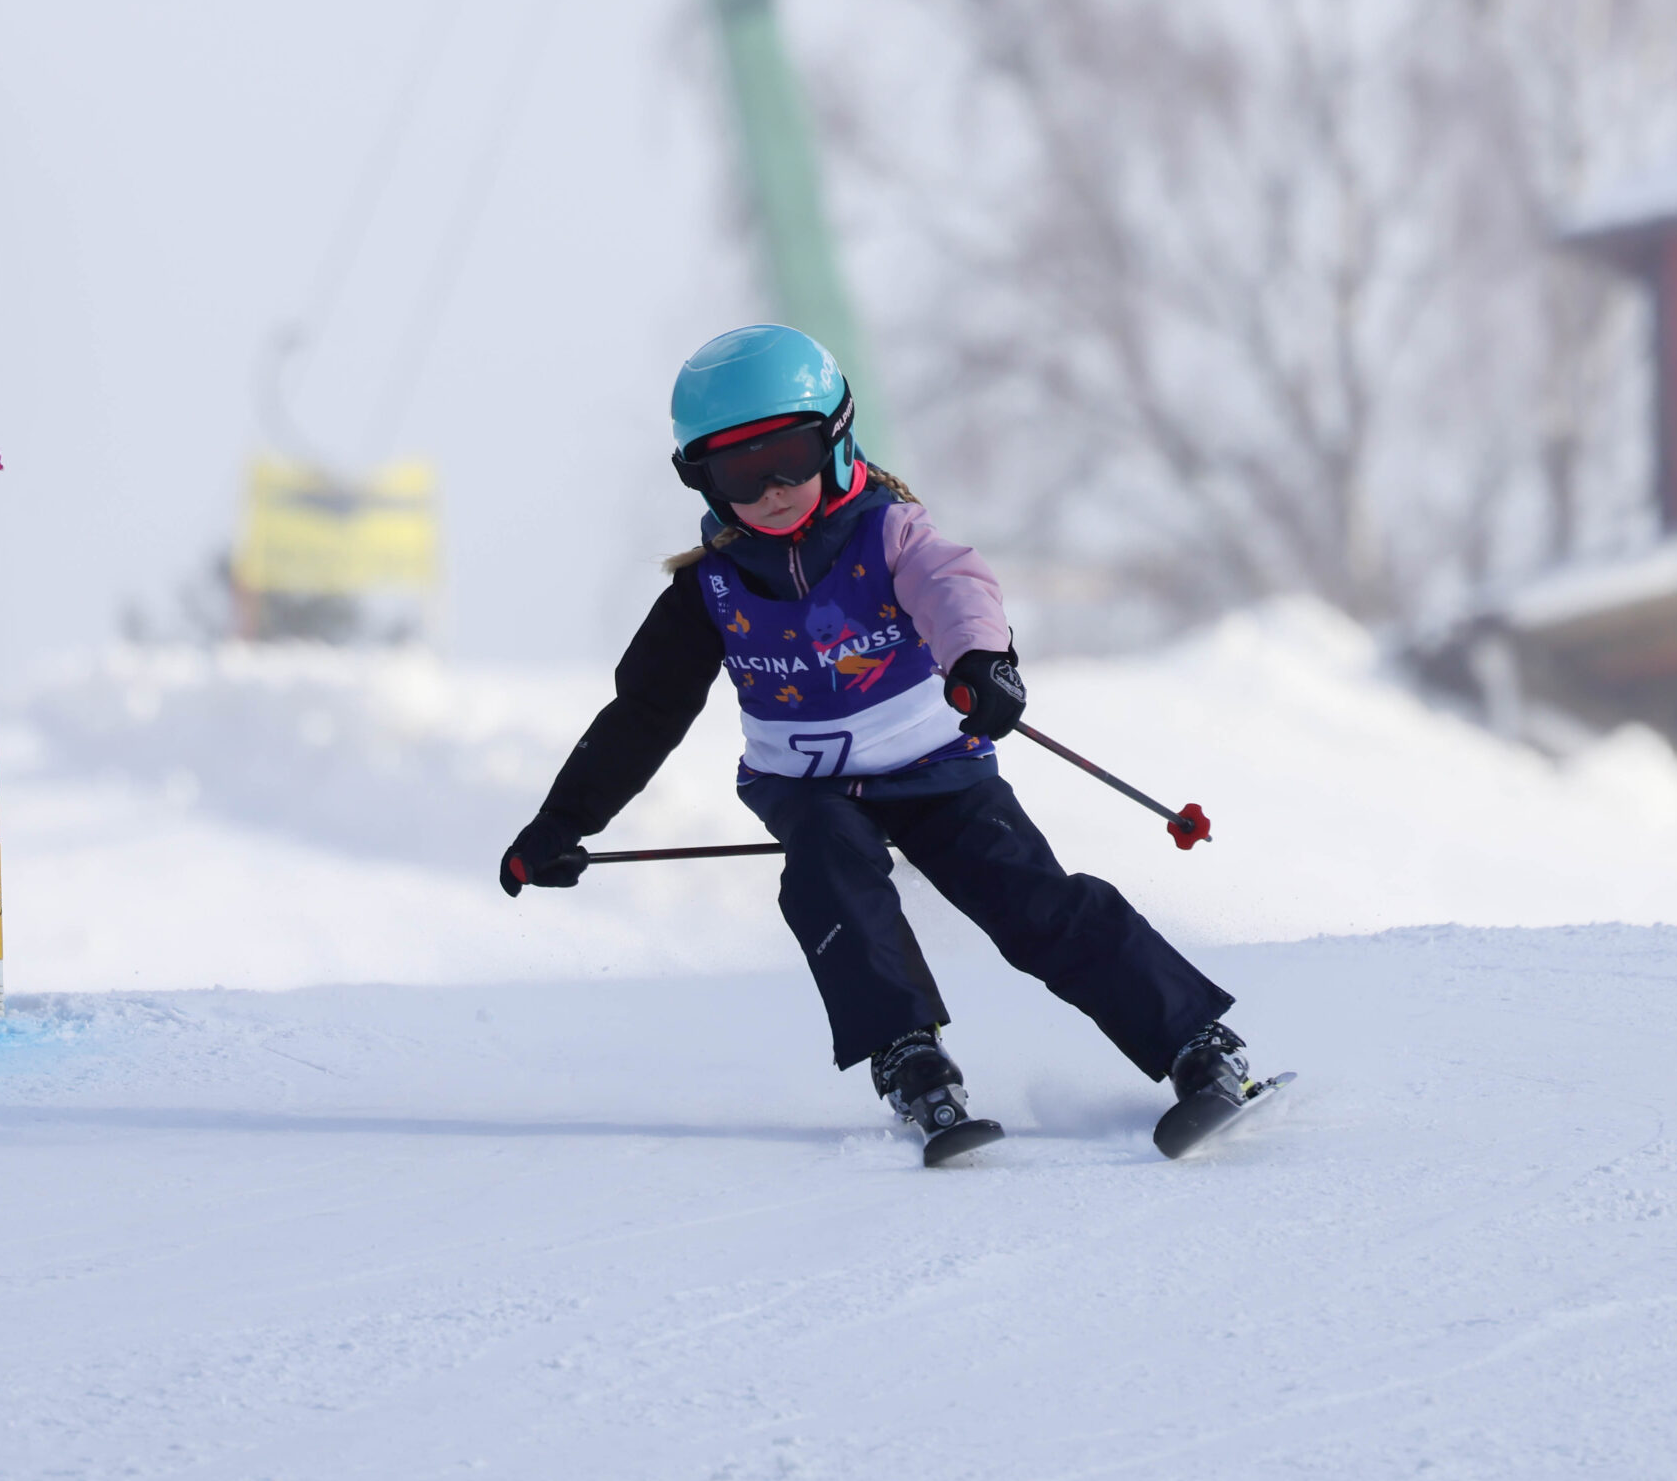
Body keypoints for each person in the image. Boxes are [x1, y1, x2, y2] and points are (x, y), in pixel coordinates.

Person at [497, 325, 1254, 1160]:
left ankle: (1195, 1043)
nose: (773, 489)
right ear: (701, 479)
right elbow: (642, 715)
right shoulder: (708, 591)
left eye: (789, 456)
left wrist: (982, 662)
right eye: (741, 473)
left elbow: (955, 587)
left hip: (938, 768)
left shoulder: (888, 535)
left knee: (1030, 901)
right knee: (828, 873)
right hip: (807, 787)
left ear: (836, 437)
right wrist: (561, 824)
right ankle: (909, 1057)